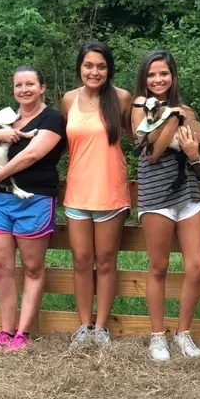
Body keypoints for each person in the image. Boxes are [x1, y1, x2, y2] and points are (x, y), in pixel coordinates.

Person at [0, 66, 67, 352]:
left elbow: (32, 154)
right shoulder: (6, 118)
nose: (24, 90)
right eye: (18, 85)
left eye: (30, 84)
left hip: (34, 199)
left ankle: (23, 333)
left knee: (33, 268)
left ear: (42, 87)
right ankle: (5, 330)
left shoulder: (53, 119)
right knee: (0, 267)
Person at [131, 50, 200, 361]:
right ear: (144, 79)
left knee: (197, 266)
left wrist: (194, 154)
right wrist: (172, 118)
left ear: (173, 76)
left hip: (188, 192)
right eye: (152, 75)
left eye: (163, 74)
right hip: (155, 194)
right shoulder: (140, 108)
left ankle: (184, 333)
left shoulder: (184, 110)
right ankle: (157, 336)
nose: (158, 79)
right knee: (158, 267)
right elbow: (150, 152)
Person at [61, 42, 132, 348]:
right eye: (89, 65)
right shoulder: (68, 100)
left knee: (105, 261)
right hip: (77, 192)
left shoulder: (122, 98)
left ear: (109, 69)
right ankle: (83, 325)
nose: (94, 71)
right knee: (80, 260)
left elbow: (141, 137)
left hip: (110, 192)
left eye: (101, 66)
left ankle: (101, 327)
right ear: (80, 67)